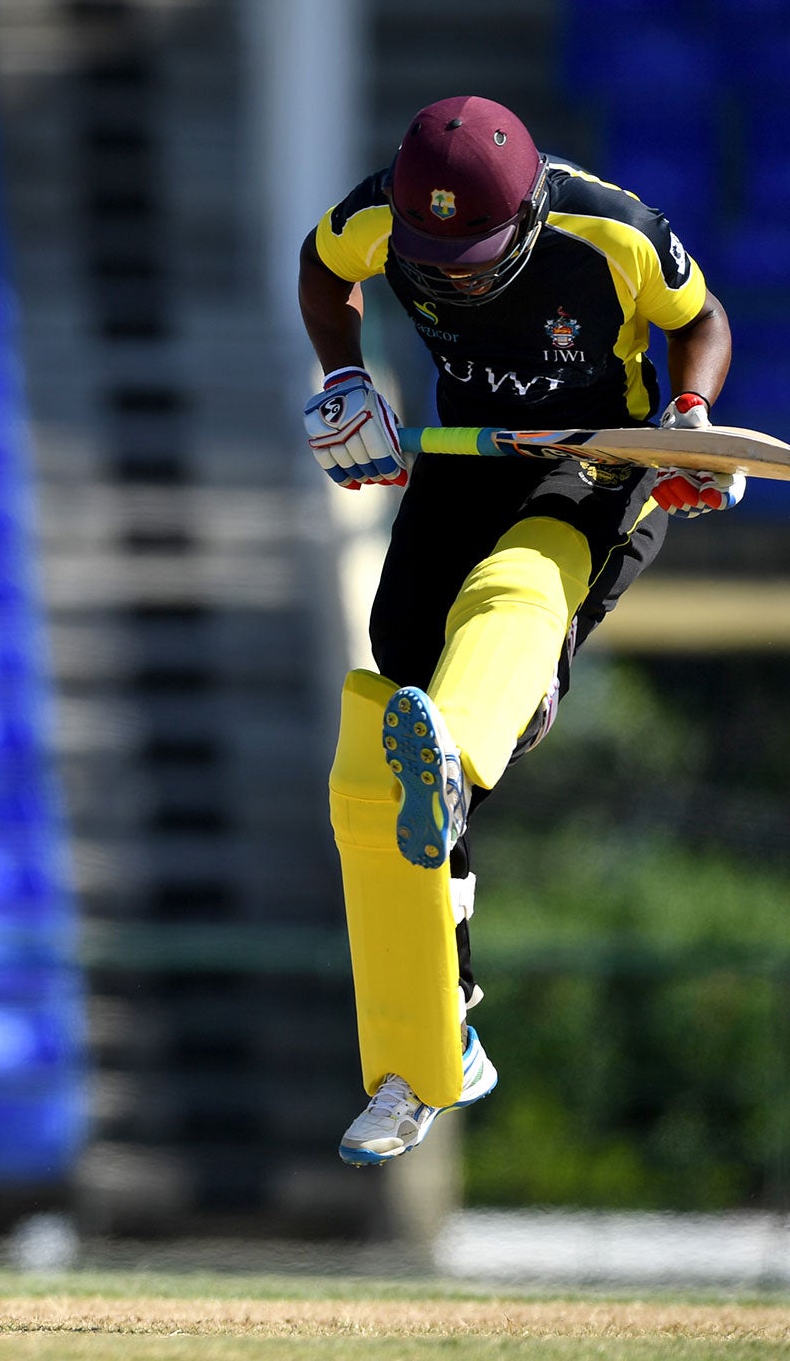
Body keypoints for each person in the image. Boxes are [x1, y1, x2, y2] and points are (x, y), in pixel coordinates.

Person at [300, 96, 738, 1167]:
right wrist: (344, 374)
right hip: (467, 450)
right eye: (429, 254)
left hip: (602, 460)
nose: (448, 275)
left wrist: (686, 419)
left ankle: (491, 710)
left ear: (532, 209)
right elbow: (322, 270)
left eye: (473, 254)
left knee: (518, 585)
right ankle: (442, 1021)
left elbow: (701, 321)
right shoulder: (373, 215)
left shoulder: (610, 227)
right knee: (399, 658)